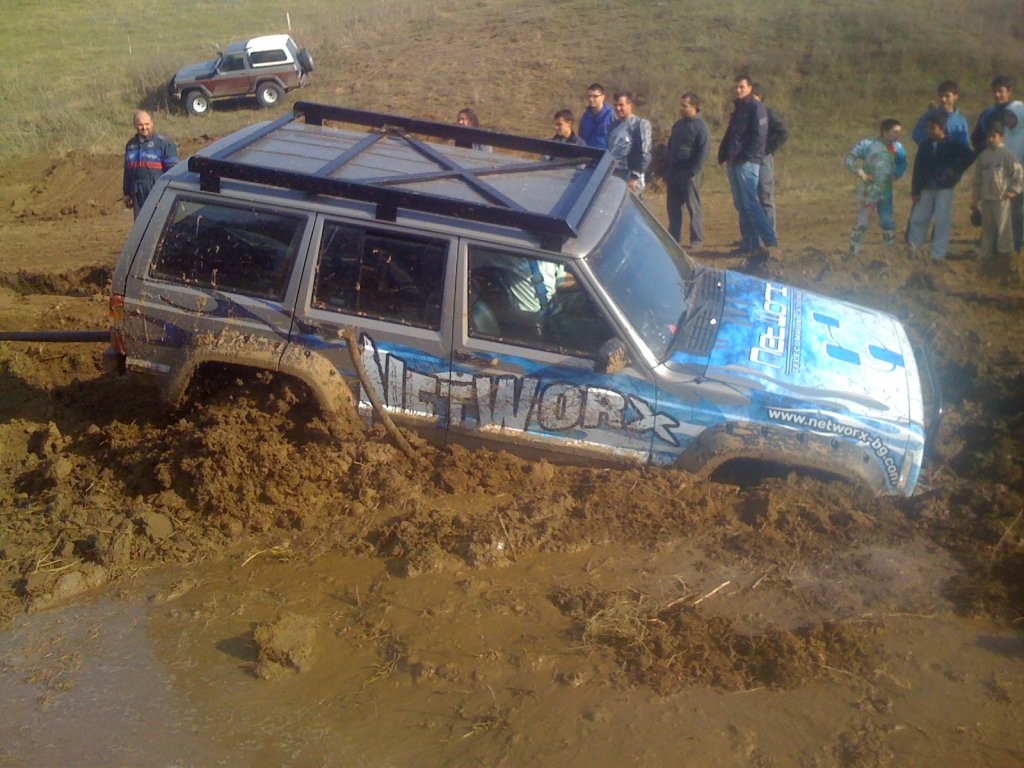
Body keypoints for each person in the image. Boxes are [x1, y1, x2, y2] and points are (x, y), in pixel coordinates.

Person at [717, 74, 778, 260]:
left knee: (751, 203)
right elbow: (732, 134)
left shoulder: (756, 107)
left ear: (750, 88)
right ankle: (750, 244)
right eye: (736, 87)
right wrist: (723, 152)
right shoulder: (738, 109)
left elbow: (760, 136)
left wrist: (746, 155)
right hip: (733, 161)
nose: (738, 90)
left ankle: (770, 242)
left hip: (747, 162)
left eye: (742, 87)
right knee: (741, 205)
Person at [906, 111, 975, 260]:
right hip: (926, 187)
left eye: (932, 128)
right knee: (918, 218)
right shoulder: (925, 145)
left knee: (942, 221)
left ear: (942, 128)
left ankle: (938, 254)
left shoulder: (952, 143)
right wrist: (915, 190)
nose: (929, 131)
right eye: (928, 128)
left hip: (944, 188)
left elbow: (969, 155)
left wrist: (954, 169)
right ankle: (913, 248)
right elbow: (918, 169)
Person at [971, 76, 1024, 252]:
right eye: (994, 91)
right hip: (995, 173)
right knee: (994, 212)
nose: (997, 95)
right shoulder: (988, 113)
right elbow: (977, 138)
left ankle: (1015, 249)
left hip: (1017, 173)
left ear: (1009, 92)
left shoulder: (1019, 110)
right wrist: (987, 155)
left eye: (1001, 91)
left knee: (1017, 212)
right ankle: (992, 249)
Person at [845, 119, 907, 256]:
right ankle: (853, 252)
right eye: (895, 132)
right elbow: (849, 159)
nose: (898, 135)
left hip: (886, 191)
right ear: (884, 131)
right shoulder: (868, 145)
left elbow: (903, 163)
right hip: (868, 191)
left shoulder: (898, 148)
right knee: (863, 221)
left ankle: (890, 253)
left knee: (887, 221)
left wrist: (896, 175)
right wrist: (859, 172)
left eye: (899, 132)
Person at [971, 122, 1023, 278]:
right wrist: (975, 197)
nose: (990, 139)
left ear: (1001, 137)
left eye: (994, 136)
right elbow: (977, 179)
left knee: (1003, 230)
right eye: (988, 136)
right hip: (986, 199)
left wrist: (1013, 191)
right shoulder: (983, 156)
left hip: (1001, 200)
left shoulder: (1006, 154)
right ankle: (985, 262)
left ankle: (1006, 262)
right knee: (987, 230)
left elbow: (1018, 174)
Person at [664, 92, 711, 248]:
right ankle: (674, 238)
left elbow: (703, 152)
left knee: (693, 207)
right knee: (673, 208)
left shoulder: (701, 127)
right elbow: (671, 146)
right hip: (673, 173)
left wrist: (694, 171)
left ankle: (696, 239)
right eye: (681, 105)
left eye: (685, 106)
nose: (681, 108)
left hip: (689, 174)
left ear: (694, 107)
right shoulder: (678, 125)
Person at [123, 111, 178, 218]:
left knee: (159, 220)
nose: (144, 127)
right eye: (140, 125)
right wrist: (127, 193)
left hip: (156, 189)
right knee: (140, 222)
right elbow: (127, 171)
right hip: (137, 191)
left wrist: (169, 195)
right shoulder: (130, 145)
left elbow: (173, 171)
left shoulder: (164, 143)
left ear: (152, 123)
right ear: (135, 125)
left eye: (147, 124)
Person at [752, 83, 789, 234]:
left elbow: (783, 132)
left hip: (763, 159)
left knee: (765, 195)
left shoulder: (767, 113)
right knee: (751, 197)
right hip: (748, 160)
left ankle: (769, 234)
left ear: (759, 97)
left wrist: (767, 149)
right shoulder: (745, 115)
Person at [607, 91, 652, 193]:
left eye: (621, 105)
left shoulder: (640, 124)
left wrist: (634, 177)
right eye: (615, 105)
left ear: (630, 105)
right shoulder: (613, 126)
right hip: (614, 173)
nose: (618, 108)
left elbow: (645, 154)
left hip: (631, 174)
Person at [912, 80, 970, 148]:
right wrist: (929, 147)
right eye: (941, 96)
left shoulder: (961, 121)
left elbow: (964, 145)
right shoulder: (930, 115)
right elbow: (916, 133)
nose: (943, 99)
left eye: (947, 96)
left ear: (955, 97)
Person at [579, 83, 614, 149]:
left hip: (606, 154)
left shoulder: (612, 115)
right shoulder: (585, 117)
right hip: (587, 153)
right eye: (589, 96)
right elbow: (581, 138)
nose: (591, 99)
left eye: (595, 96)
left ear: (603, 97)